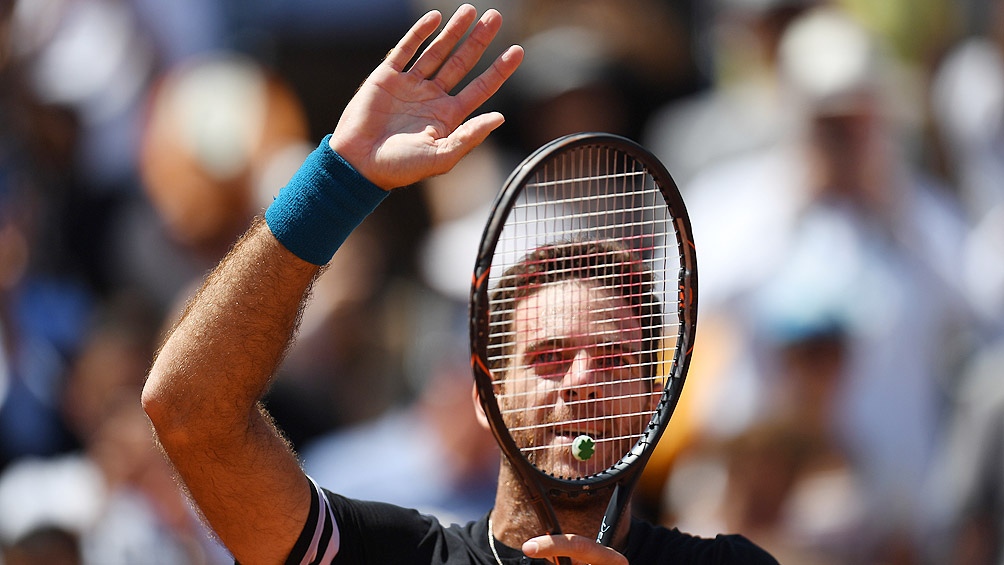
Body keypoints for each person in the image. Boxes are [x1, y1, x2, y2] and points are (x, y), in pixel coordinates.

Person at [142, 5, 777, 564]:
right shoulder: (391, 556)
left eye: (611, 360)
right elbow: (190, 413)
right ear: (484, 396)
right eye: (549, 357)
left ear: (650, 400)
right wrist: (337, 182)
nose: (582, 380)